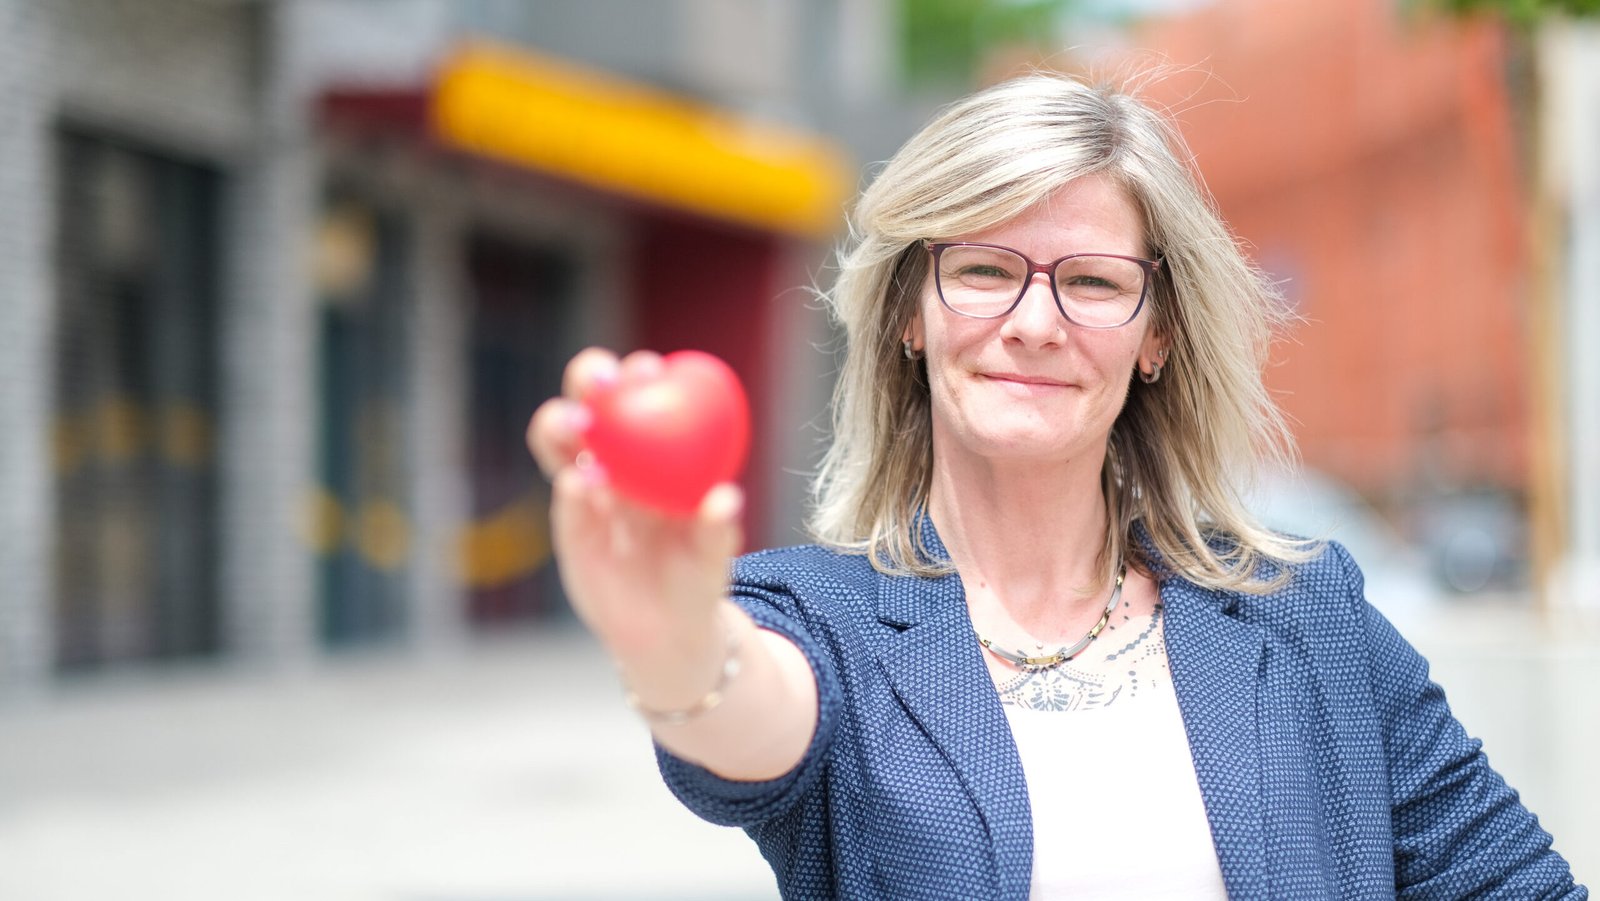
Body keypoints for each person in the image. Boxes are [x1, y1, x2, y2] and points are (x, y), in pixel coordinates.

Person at [527, 73, 1586, 900]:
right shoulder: (821, 623)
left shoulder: (1308, 617)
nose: (1034, 322)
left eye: (1089, 281)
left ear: (1157, 333)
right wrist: (666, 639)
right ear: (910, 311)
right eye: (984, 269)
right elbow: (743, 719)